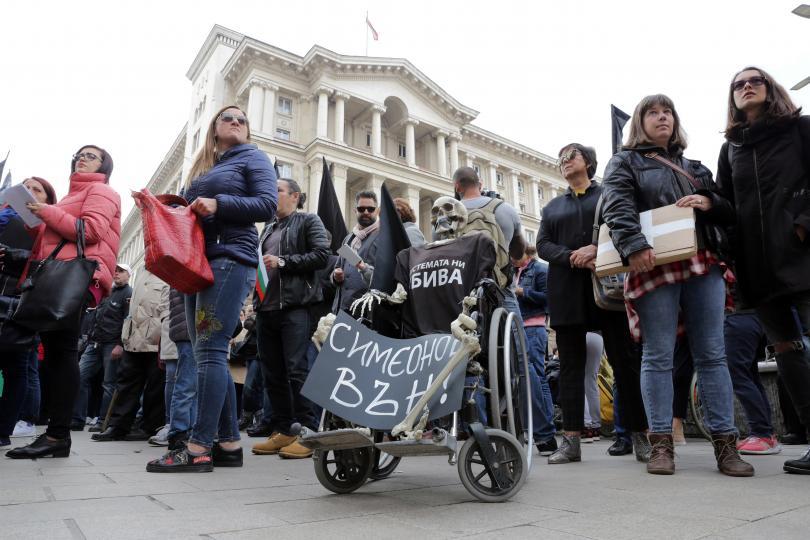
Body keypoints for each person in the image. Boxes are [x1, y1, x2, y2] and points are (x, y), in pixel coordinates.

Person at [601, 94, 753, 477]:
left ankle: (725, 445)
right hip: (653, 262)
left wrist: (708, 201)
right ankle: (661, 445)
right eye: (652, 112)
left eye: (667, 111)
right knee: (658, 355)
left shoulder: (695, 167)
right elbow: (616, 204)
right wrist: (634, 245)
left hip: (703, 260)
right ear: (640, 122)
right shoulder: (625, 161)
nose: (661, 117)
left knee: (712, 354)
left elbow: (728, 209)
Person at [147, 105, 277, 472]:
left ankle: (199, 446)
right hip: (198, 262)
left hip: (229, 259)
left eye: (242, 119)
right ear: (214, 129)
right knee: (206, 352)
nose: (235, 121)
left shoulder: (254, 158)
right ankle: (229, 444)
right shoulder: (206, 166)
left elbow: (267, 205)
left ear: (247, 131)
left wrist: (219, 204)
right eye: (227, 118)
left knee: (210, 352)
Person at [715, 66, 810, 474]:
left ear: (770, 88)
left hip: (803, 254)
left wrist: (805, 221)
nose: (747, 86)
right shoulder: (730, 149)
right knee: (786, 351)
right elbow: (726, 205)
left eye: (755, 80)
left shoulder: (801, 129)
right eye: (738, 84)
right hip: (758, 266)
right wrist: (704, 202)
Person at [6, 146, 121, 459]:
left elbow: (90, 230)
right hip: (58, 278)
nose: (81, 157)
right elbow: (53, 239)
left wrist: (44, 211)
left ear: (104, 166)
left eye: (91, 155)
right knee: (57, 354)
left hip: (78, 278)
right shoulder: (72, 197)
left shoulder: (102, 190)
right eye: (79, 154)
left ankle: (58, 435)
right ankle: (56, 435)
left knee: (63, 352)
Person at [538, 143, 649, 465]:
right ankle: (571, 441)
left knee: (625, 364)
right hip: (566, 293)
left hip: (609, 290)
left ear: (588, 161)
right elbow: (543, 244)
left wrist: (596, 250)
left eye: (570, 156)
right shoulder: (552, 206)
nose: (564, 162)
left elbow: (628, 225)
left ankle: (640, 436)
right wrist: (573, 257)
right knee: (570, 369)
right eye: (560, 158)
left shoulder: (608, 195)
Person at [251, 179, 329, 459]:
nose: (272, 196)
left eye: (278, 191)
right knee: (273, 373)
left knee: (297, 370)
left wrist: (283, 262)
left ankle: (308, 431)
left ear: (295, 196)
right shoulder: (268, 229)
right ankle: (285, 428)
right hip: (266, 309)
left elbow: (322, 255)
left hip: (296, 306)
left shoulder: (308, 221)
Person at [0, 177, 57, 448]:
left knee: (17, 368)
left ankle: (3, 430)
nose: (29, 192)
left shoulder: (50, 226)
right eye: (25, 187)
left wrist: (18, 256)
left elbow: (52, 261)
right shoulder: (3, 216)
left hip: (21, 300)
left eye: (37, 189)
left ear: (48, 200)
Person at [91, 269, 168, 441]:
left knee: (154, 388)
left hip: (156, 340)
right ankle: (118, 426)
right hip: (133, 339)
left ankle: (149, 427)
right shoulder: (142, 271)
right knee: (126, 383)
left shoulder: (169, 269)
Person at [71, 263, 132, 431]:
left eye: (121, 271)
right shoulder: (107, 292)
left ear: (129, 275)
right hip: (95, 343)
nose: (117, 273)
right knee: (79, 376)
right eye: (115, 270)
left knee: (109, 384)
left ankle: (103, 421)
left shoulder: (128, 293)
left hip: (112, 344)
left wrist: (120, 345)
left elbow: (128, 321)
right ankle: (77, 419)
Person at [512, 245, 557, 455]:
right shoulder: (515, 271)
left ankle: (545, 429)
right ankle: (545, 425)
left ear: (527, 253)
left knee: (537, 377)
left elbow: (549, 298)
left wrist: (523, 291)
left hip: (534, 326)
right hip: (521, 327)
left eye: (516, 255)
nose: (513, 260)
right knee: (538, 378)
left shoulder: (540, 269)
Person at [331, 191, 380, 314]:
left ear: (377, 211)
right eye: (361, 209)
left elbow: (383, 278)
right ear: (355, 211)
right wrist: (336, 276)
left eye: (370, 209)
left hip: (366, 312)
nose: (366, 212)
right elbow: (337, 268)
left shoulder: (383, 237)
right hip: (341, 310)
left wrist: (364, 268)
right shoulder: (348, 238)